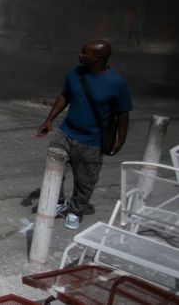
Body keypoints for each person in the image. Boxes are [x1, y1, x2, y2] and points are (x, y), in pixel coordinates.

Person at [37, 40, 132, 230]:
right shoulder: (75, 73)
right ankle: (59, 201)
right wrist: (49, 120)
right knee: (53, 167)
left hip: (92, 141)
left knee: (85, 180)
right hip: (66, 131)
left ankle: (75, 211)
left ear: (98, 58)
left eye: (85, 53)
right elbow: (64, 96)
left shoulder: (116, 83)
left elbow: (122, 114)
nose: (80, 55)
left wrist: (120, 140)